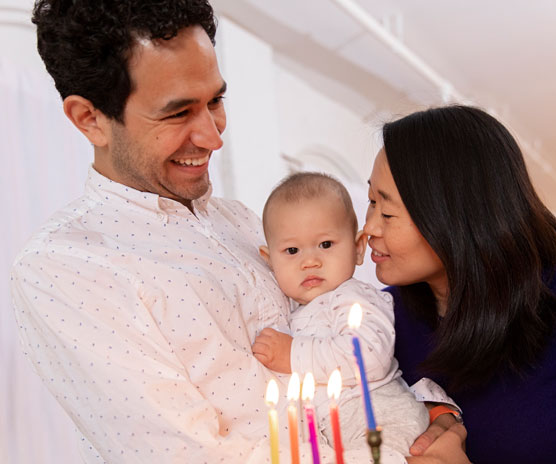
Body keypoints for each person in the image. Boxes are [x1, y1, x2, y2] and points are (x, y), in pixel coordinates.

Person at [10, 0, 467, 462]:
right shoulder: (64, 268)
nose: (213, 136)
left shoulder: (241, 221)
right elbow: (187, 454)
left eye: (215, 101)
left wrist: (414, 413)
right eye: (177, 113)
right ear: (90, 119)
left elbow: (335, 332)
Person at [363, 105, 556, 463]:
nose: (369, 228)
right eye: (370, 201)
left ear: (455, 215)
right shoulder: (379, 322)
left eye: (387, 212)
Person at [252, 172, 448, 456]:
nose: (310, 261)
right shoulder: (294, 311)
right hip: (341, 431)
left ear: (357, 248)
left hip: (382, 418)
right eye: (292, 250)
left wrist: (292, 354)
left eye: (326, 244)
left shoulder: (354, 298)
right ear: (271, 262)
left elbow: (369, 355)